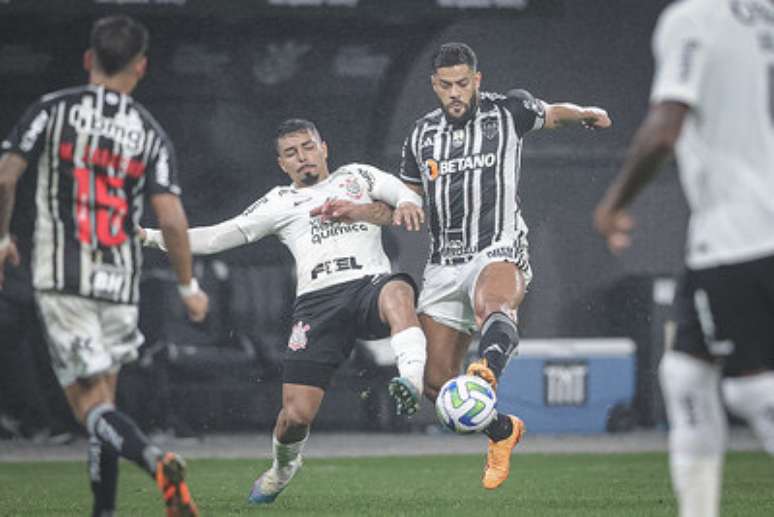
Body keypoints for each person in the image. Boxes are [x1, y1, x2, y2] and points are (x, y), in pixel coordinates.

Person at [140, 118, 428, 505]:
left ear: (323, 148)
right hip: (317, 305)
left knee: (398, 289)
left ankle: (410, 379)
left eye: (308, 147)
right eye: (292, 153)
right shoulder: (279, 202)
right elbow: (218, 235)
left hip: (366, 287)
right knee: (295, 416)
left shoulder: (357, 175)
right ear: (282, 164)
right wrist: (150, 237)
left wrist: (408, 203)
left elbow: (403, 193)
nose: (303, 157)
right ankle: (283, 467)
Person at [0, 15, 208, 517]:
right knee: (107, 402)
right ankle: (104, 511)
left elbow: (6, 177)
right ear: (141, 66)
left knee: (89, 409)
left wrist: (3, 235)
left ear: (89, 59)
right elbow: (172, 219)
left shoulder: (52, 110)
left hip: (63, 276)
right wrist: (187, 286)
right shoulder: (149, 131)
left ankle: (154, 458)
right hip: (119, 280)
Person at [399, 42, 611, 490]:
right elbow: (407, 199)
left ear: (477, 80)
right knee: (435, 384)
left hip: (497, 245)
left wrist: (586, 112)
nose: (454, 93)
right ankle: (502, 429)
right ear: (433, 86)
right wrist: (371, 210)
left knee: (494, 303)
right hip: (442, 264)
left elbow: (553, 112)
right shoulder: (420, 135)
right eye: (445, 85)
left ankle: (487, 369)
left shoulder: (508, 111)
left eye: (462, 83)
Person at [594, 1, 774, 516]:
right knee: (685, 375)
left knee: (752, 394)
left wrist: (614, 203)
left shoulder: (694, 18)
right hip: (727, 235)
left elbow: (665, 126)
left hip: (741, 232)